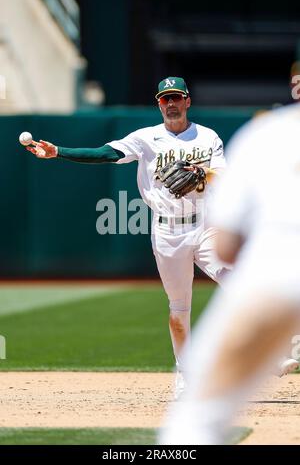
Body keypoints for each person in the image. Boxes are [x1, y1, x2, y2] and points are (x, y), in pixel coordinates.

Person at [25, 77, 230, 399]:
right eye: (165, 99)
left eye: (176, 97)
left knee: (235, 279)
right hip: (165, 230)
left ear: (188, 101)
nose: (171, 103)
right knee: (179, 309)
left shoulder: (207, 136)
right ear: (158, 103)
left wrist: (203, 173)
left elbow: (224, 175)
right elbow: (104, 154)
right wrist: (59, 152)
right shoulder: (146, 138)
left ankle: (268, 350)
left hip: (204, 224)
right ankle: (185, 375)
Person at [159, 102, 300, 445]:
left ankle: (284, 350)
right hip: (171, 233)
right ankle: (289, 350)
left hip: (278, 272)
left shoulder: (267, 132)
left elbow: (227, 246)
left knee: (199, 417)